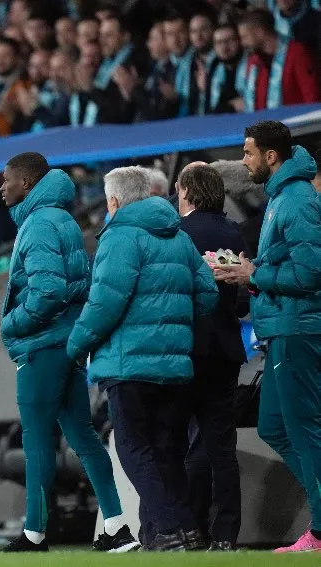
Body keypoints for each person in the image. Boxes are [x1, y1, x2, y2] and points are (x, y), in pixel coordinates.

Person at [67, 166, 219, 552]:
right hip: (174, 366)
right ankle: (186, 532)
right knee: (167, 453)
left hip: (129, 365)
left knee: (134, 449)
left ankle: (170, 529)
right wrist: (174, 326)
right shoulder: (178, 236)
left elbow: (105, 304)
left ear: (113, 201)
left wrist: (75, 346)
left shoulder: (120, 236)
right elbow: (208, 293)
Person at [0, 152, 137, 553]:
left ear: (26, 183)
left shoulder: (39, 223)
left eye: (7, 179)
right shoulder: (62, 219)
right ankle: (117, 526)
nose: (2, 187)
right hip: (68, 344)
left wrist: (12, 323)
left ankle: (34, 534)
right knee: (83, 436)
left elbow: (49, 290)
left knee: (37, 439)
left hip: (43, 346)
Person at [214, 120, 321, 553]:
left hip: (297, 328)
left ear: (270, 156)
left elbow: (312, 273)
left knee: (302, 428)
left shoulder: (296, 200)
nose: (244, 161)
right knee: (274, 426)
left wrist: (255, 275)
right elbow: (286, 262)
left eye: (248, 153)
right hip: (281, 327)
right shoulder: (281, 196)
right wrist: (247, 269)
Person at [177, 164, 248, 551]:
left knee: (180, 445)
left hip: (185, 352)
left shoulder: (177, 234)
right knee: (221, 447)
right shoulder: (230, 233)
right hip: (224, 352)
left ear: (186, 191)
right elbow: (239, 297)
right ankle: (225, 534)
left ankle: (189, 528)